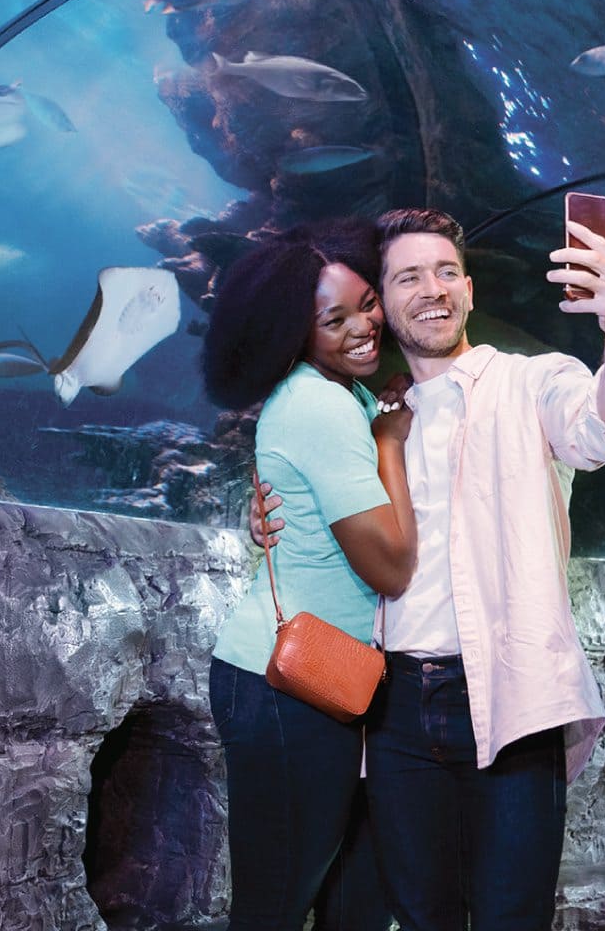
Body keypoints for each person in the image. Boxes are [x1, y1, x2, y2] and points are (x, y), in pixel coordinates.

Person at [254, 206, 605, 930]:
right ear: (381, 300)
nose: (431, 289)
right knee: (420, 918)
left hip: (510, 692)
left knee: (512, 916)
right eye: (407, 276)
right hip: (396, 706)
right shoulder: (366, 413)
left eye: (446, 272)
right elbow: (313, 506)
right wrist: (259, 515)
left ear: (470, 291)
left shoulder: (532, 382)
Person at [202, 217, 416, 931]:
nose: (364, 326)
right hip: (284, 687)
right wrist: (390, 444)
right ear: (296, 332)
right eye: (335, 319)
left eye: (366, 303)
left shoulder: (342, 393)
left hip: (322, 684)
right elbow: (388, 565)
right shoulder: (323, 405)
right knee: (274, 905)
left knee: (353, 895)